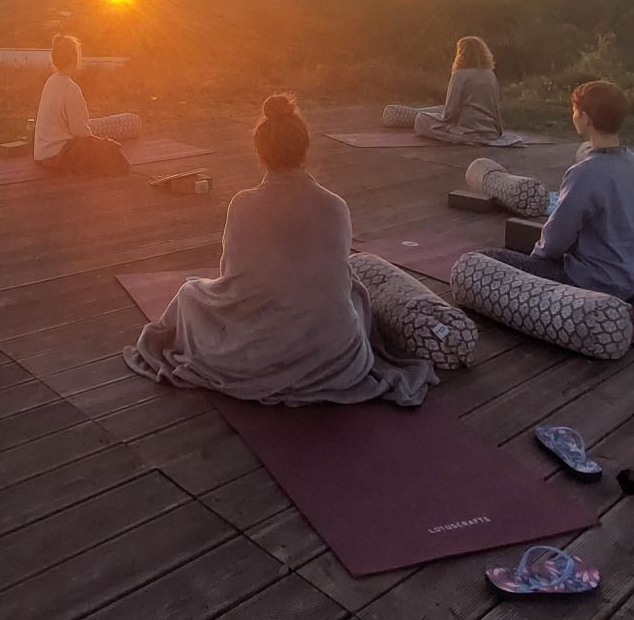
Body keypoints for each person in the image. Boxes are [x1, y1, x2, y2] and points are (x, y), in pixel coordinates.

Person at [125, 93, 435, 405]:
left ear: (260, 152)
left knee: (189, 294)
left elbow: (231, 278)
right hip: (335, 355)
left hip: (258, 353)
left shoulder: (243, 205)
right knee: (355, 293)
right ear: (304, 148)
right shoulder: (335, 206)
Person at [477, 80, 634, 299]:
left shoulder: (584, 173)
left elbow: (555, 241)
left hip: (595, 283)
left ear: (585, 118)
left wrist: (534, 266)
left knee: (485, 260)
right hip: (632, 279)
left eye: (574, 110)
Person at [32, 34, 129, 177]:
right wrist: (96, 142)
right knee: (110, 150)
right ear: (74, 59)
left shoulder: (50, 82)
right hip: (58, 154)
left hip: (41, 153)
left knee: (100, 147)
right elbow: (79, 131)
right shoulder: (71, 88)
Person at [413, 36, 508, 145]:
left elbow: (450, 112)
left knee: (421, 119)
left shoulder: (459, 75)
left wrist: (441, 118)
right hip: (490, 130)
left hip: (466, 130)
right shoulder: (490, 75)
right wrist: (498, 131)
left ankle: (463, 136)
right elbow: (495, 108)